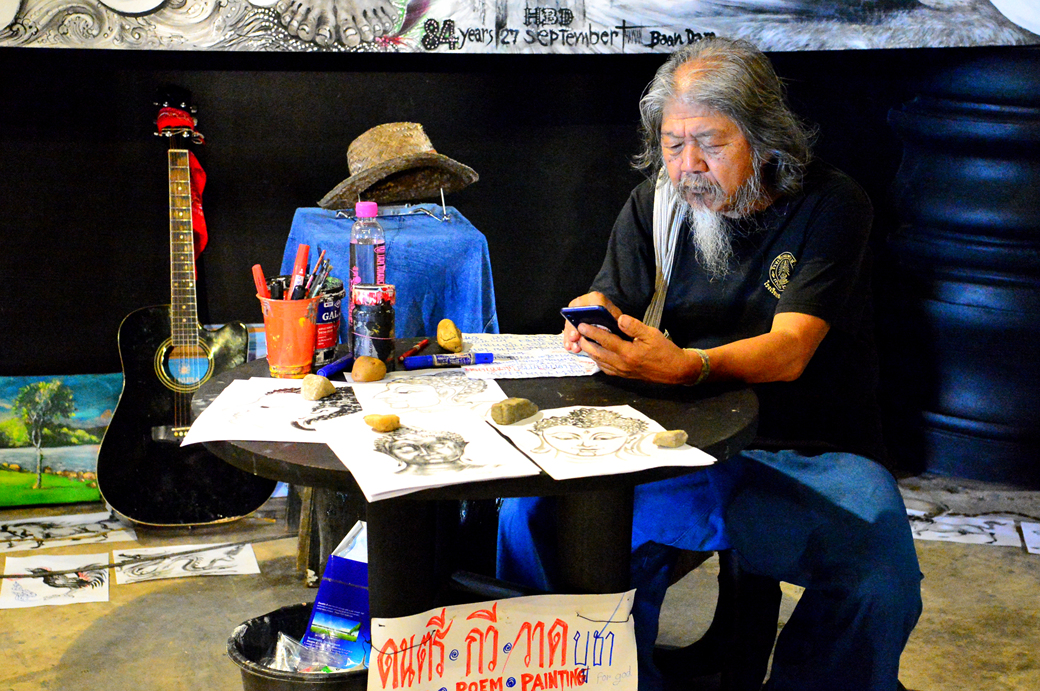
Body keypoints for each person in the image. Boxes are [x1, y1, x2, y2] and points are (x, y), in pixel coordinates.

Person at [497, 36, 922, 691]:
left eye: (710, 144)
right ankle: (600, 679)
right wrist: (593, 315)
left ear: (764, 139)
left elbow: (790, 349)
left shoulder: (831, 204)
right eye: (673, 144)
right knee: (536, 516)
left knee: (879, 574)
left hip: (808, 449)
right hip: (678, 445)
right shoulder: (657, 203)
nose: (688, 165)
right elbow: (612, 296)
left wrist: (687, 367)